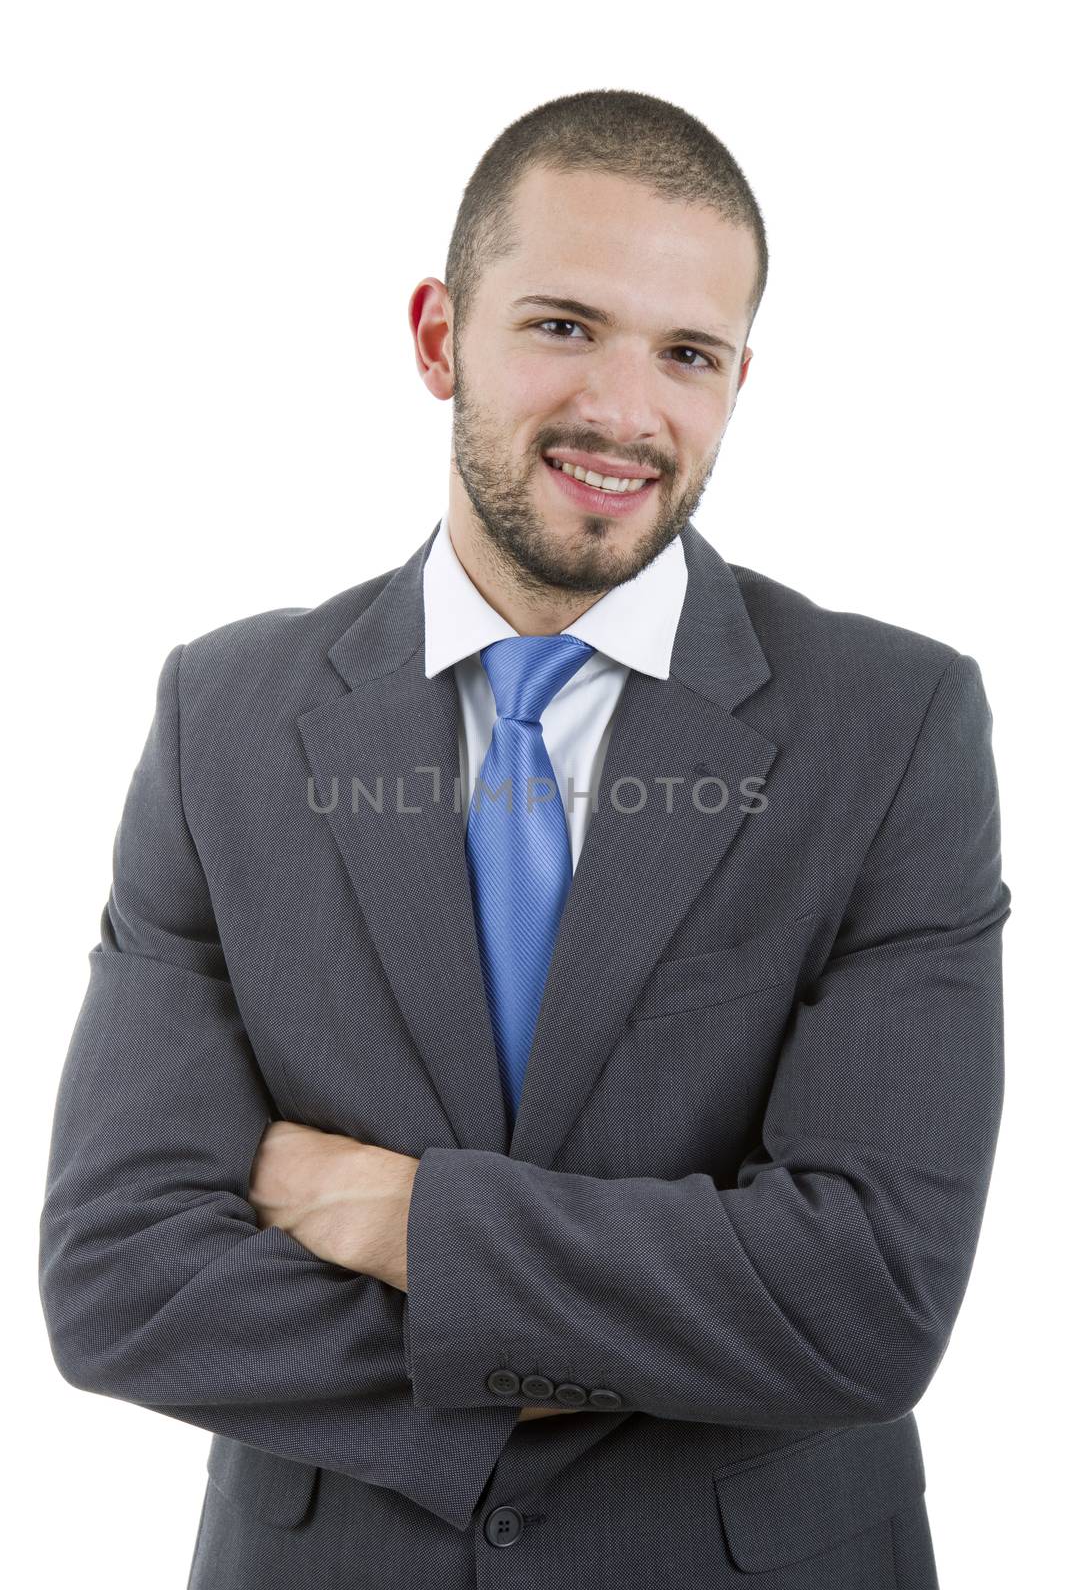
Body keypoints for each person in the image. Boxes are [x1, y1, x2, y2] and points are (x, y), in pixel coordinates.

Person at [39, 88, 1009, 1589]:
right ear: (439, 337)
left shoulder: (895, 728)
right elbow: (119, 1282)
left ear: (741, 378)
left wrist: (393, 1212)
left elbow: (867, 1300)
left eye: (687, 354)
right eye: (564, 326)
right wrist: (604, 1344)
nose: (628, 411)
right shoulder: (223, 715)